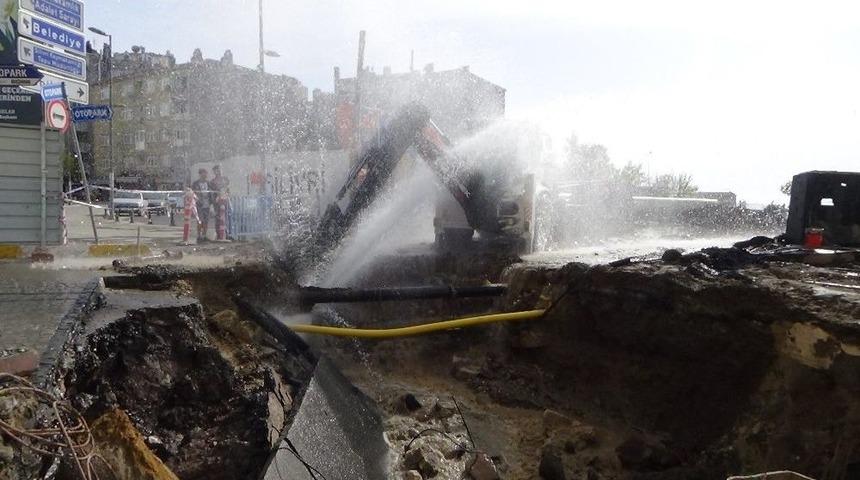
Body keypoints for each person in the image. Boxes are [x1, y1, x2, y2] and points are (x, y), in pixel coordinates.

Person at [191, 168, 211, 242]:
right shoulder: (195, 184)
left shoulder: (209, 183)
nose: (205, 175)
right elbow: (193, 193)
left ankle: (204, 235)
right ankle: (199, 235)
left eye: (206, 173)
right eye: (203, 173)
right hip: (199, 205)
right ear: (200, 174)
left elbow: (212, 192)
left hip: (207, 205)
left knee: (206, 221)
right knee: (200, 220)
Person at [211, 165, 231, 239]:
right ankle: (219, 234)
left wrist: (227, 195)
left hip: (225, 200)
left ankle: (227, 233)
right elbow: (212, 193)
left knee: (227, 217)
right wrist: (214, 202)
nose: (218, 171)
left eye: (219, 170)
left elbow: (228, 189)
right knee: (218, 218)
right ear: (214, 171)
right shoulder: (212, 181)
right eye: (216, 170)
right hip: (217, 201)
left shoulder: (225, 179)